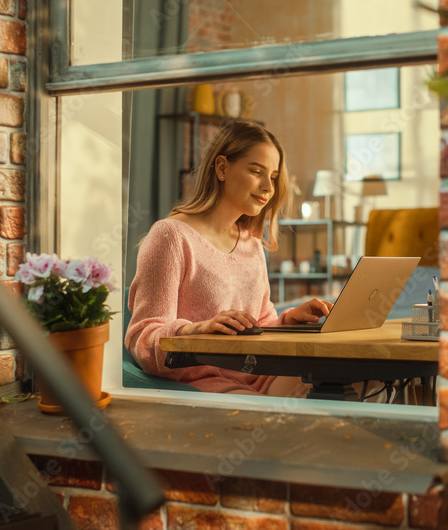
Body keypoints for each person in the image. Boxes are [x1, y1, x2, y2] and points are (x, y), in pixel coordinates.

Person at [125, 120, 333, 397]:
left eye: (272, 176)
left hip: (260, 375)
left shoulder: (251, 244)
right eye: (256, 171)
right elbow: (143, 338)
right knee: (282, 414)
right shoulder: (171, 236)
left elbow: (258, 324)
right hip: (204, 379)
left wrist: (287, 322)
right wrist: (197, 330)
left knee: (357, 385)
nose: (268, 188)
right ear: (222, 168)